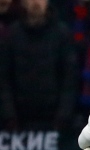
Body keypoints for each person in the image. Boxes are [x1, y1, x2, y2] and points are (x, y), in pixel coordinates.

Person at [0, 0, 78, 130]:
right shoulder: (12, 35)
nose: (36, 2)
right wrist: (9, 115)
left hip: (55, 121)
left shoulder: (62, 34)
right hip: (18, 121)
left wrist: (64, 115)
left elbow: (70, 79)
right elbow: (4, 78)